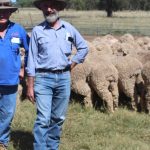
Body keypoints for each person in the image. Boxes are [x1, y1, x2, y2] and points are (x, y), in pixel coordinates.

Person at [26, 0, 88, 149]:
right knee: (43, 119)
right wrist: (30, 86)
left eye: (52, 5)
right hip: (43, 78)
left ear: (59, 7)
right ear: (41, 8)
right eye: (45, 6)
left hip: (63, 79)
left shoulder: (69, 29)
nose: (49, 9)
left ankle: (52, 147)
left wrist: (72, 64)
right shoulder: (37, 31)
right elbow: (31, 59)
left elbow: (83, 47)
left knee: (58, 118)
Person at [0, 0, 29, 149]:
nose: (2, 14)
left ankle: (2, 141)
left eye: (6, 10)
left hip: (10, 81)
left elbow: (30, 49)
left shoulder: (18, 30)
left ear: (11, 12)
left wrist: (24, 67)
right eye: (0, 11)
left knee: (7, 114)